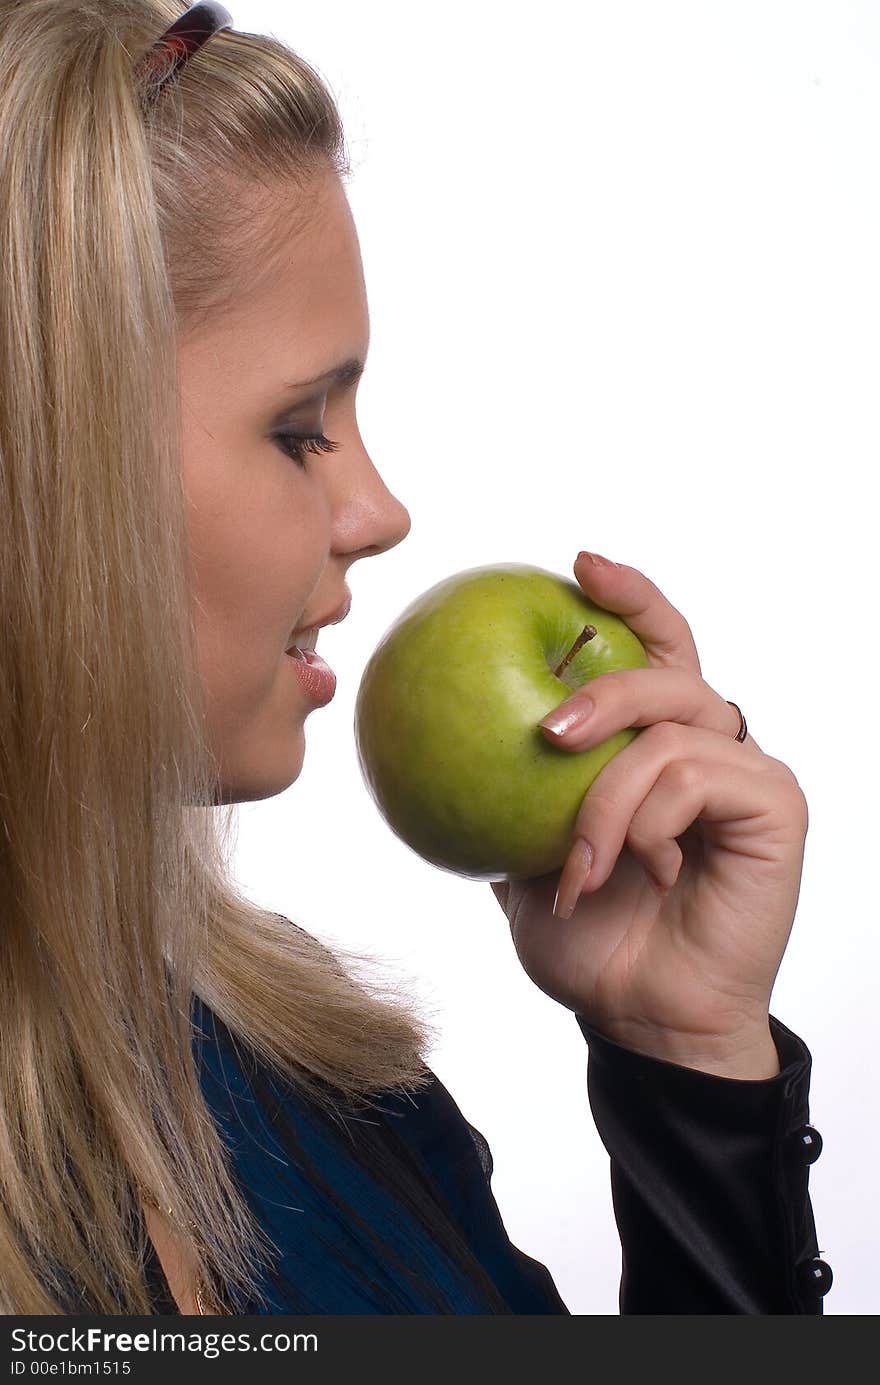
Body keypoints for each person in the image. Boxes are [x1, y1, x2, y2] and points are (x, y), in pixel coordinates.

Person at [0, 1, 829, 1317]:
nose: (382, 512)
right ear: (39, 466)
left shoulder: (324, 1093)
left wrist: (690, 1067)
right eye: (297, 428)